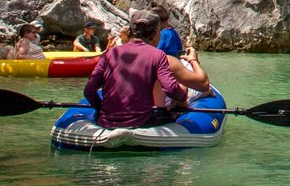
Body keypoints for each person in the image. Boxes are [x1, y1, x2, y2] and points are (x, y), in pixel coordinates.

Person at [83, 9, 211, 130]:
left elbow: (89, 90)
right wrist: (181, 99)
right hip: (142, 122)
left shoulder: (110, 53)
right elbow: (171, 88)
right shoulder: (158, 55)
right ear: (155, 34)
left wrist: (101, 110)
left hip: (106, 121)